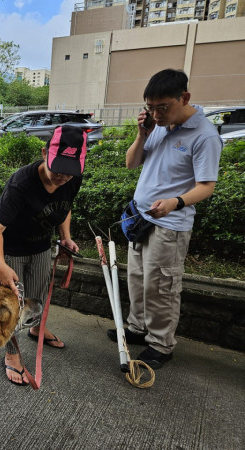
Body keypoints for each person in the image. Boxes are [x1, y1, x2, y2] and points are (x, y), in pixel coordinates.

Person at [107, 69, 222, 369]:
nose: (156, 114)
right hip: (139, 218)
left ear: (184, 98)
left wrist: (176, 202)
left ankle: (160, 345)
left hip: (169, 225)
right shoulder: (157, 126)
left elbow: (206, 186)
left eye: (162, 107)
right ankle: (136, 328)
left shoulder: (205, 136)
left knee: (161, 287)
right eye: (150, 108)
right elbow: (131, 163)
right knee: (137, 281)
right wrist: (142, 133)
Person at [0, 125, 87, 386]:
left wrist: (65, 237)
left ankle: (35, 328)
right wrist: (0, 264)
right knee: (11, 307)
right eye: (58, 169)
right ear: (44, 153)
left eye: (70, 170)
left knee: (39, 296)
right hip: (10, 251)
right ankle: (11, 354)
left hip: (41, 246)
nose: (63, 176)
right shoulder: (22, 182)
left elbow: (65, 207)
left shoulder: (73, 177)